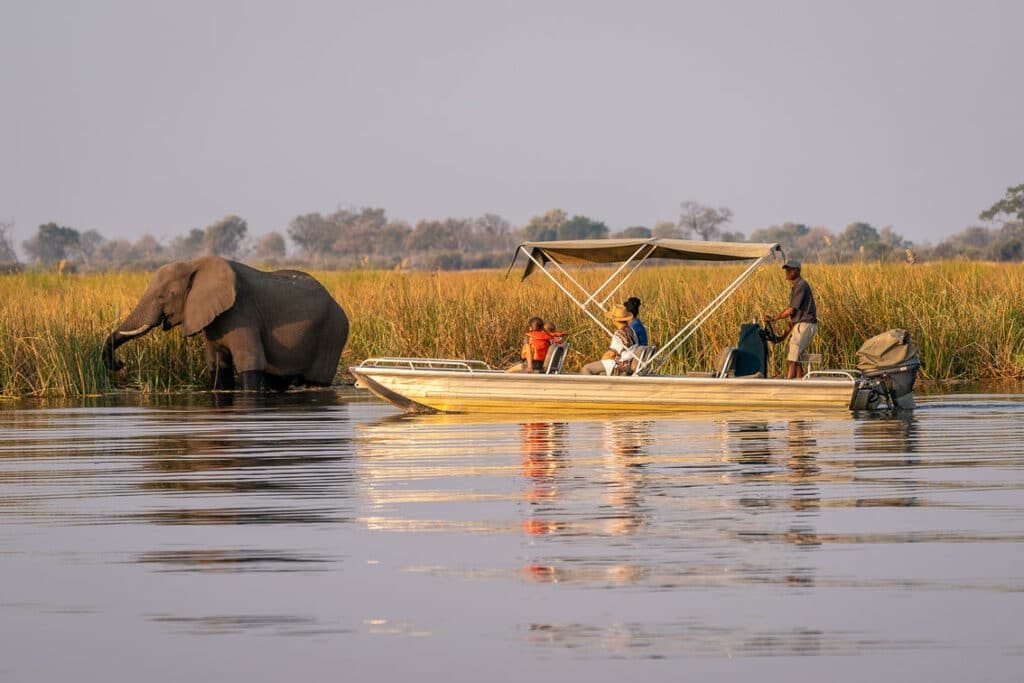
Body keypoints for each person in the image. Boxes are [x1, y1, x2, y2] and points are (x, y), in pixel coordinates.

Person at [765, 259, 818, 379]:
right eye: (786, 269)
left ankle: (788, 383)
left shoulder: (801, 285)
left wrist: (774, 318)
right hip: (803, 325)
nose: (787, 272)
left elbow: (791, 310)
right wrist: (782, 337)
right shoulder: (796, 287)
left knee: (792, 359)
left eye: (790, 270)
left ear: (797, 271)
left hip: (805, 324)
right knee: (797, 357)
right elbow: (792, 318)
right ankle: (799, 382)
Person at [583, 304, 639, 375]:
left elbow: (610, 354)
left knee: (586, 368)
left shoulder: (619, 333)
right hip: (629, 363)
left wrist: (602, 363)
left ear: (614, 320)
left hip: (620, 364)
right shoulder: (632, 331)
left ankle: (588, 386)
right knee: (602, 373)